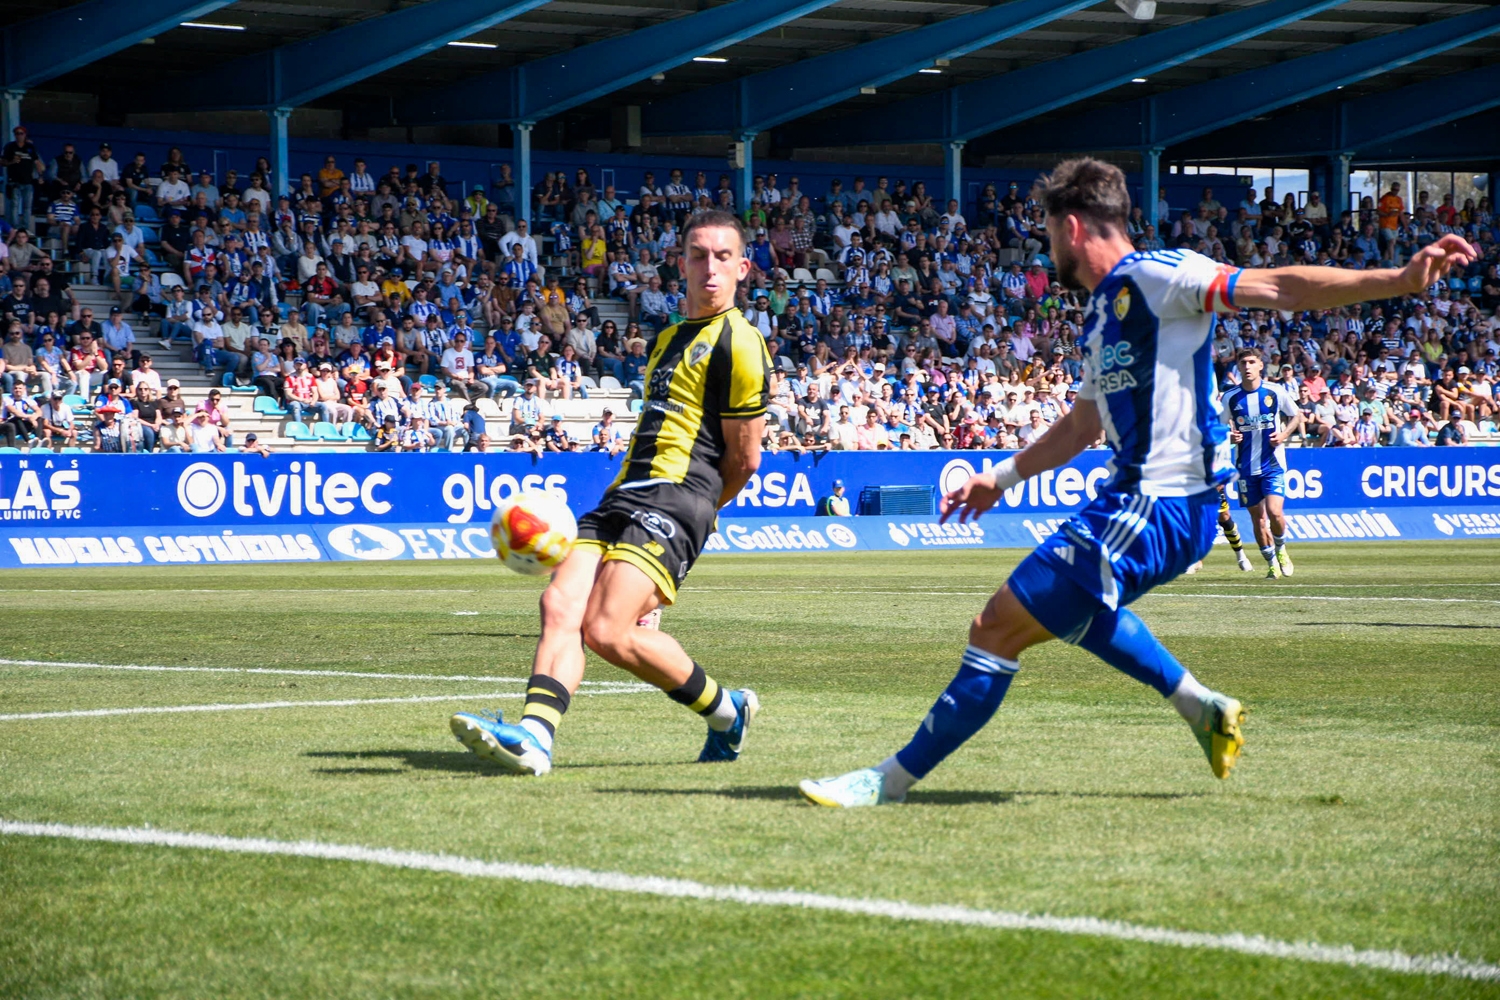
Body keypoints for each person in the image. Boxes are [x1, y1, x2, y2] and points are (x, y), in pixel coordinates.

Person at [799, 157, 1479, 808]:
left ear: (1071, 227)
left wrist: (1398, 279)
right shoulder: (1102, 314)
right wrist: (998, 477)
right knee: (1081, 617)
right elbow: (1080, 429)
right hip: (1140, 501)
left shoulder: (1163, 275)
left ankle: (886, 781)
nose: (1047, 251)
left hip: (1160, 502)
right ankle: (1204, 708)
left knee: (995, 627)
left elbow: (1280, 289)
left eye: (1047, 235)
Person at [451, 209, 770, 777]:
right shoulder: (669, 337)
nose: (710, 268)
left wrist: (699, 518)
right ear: (682, 264)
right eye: (698, 255)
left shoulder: (741, 344)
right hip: (623, 493)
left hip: (679, 498)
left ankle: (728, 712)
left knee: (605, 629)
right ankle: (534, 737)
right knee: (559, 604)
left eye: (723, 257)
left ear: (743, 267)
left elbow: (745, 458)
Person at [1221, 349, 1303, 579]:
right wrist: (1229, 436)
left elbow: (1297, 416)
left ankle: (1281, 550)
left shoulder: (1275, 391)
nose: (1247, 366)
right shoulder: (1230, 397)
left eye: (1251, 362)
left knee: (1275, 513)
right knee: (1258, 519)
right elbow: (1216, 428)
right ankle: (1270, 563)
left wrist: (1284, 434)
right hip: (1245, 468)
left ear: (1260, 366)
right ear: (1238, 367)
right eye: (1243, 362)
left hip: (1272, 464)